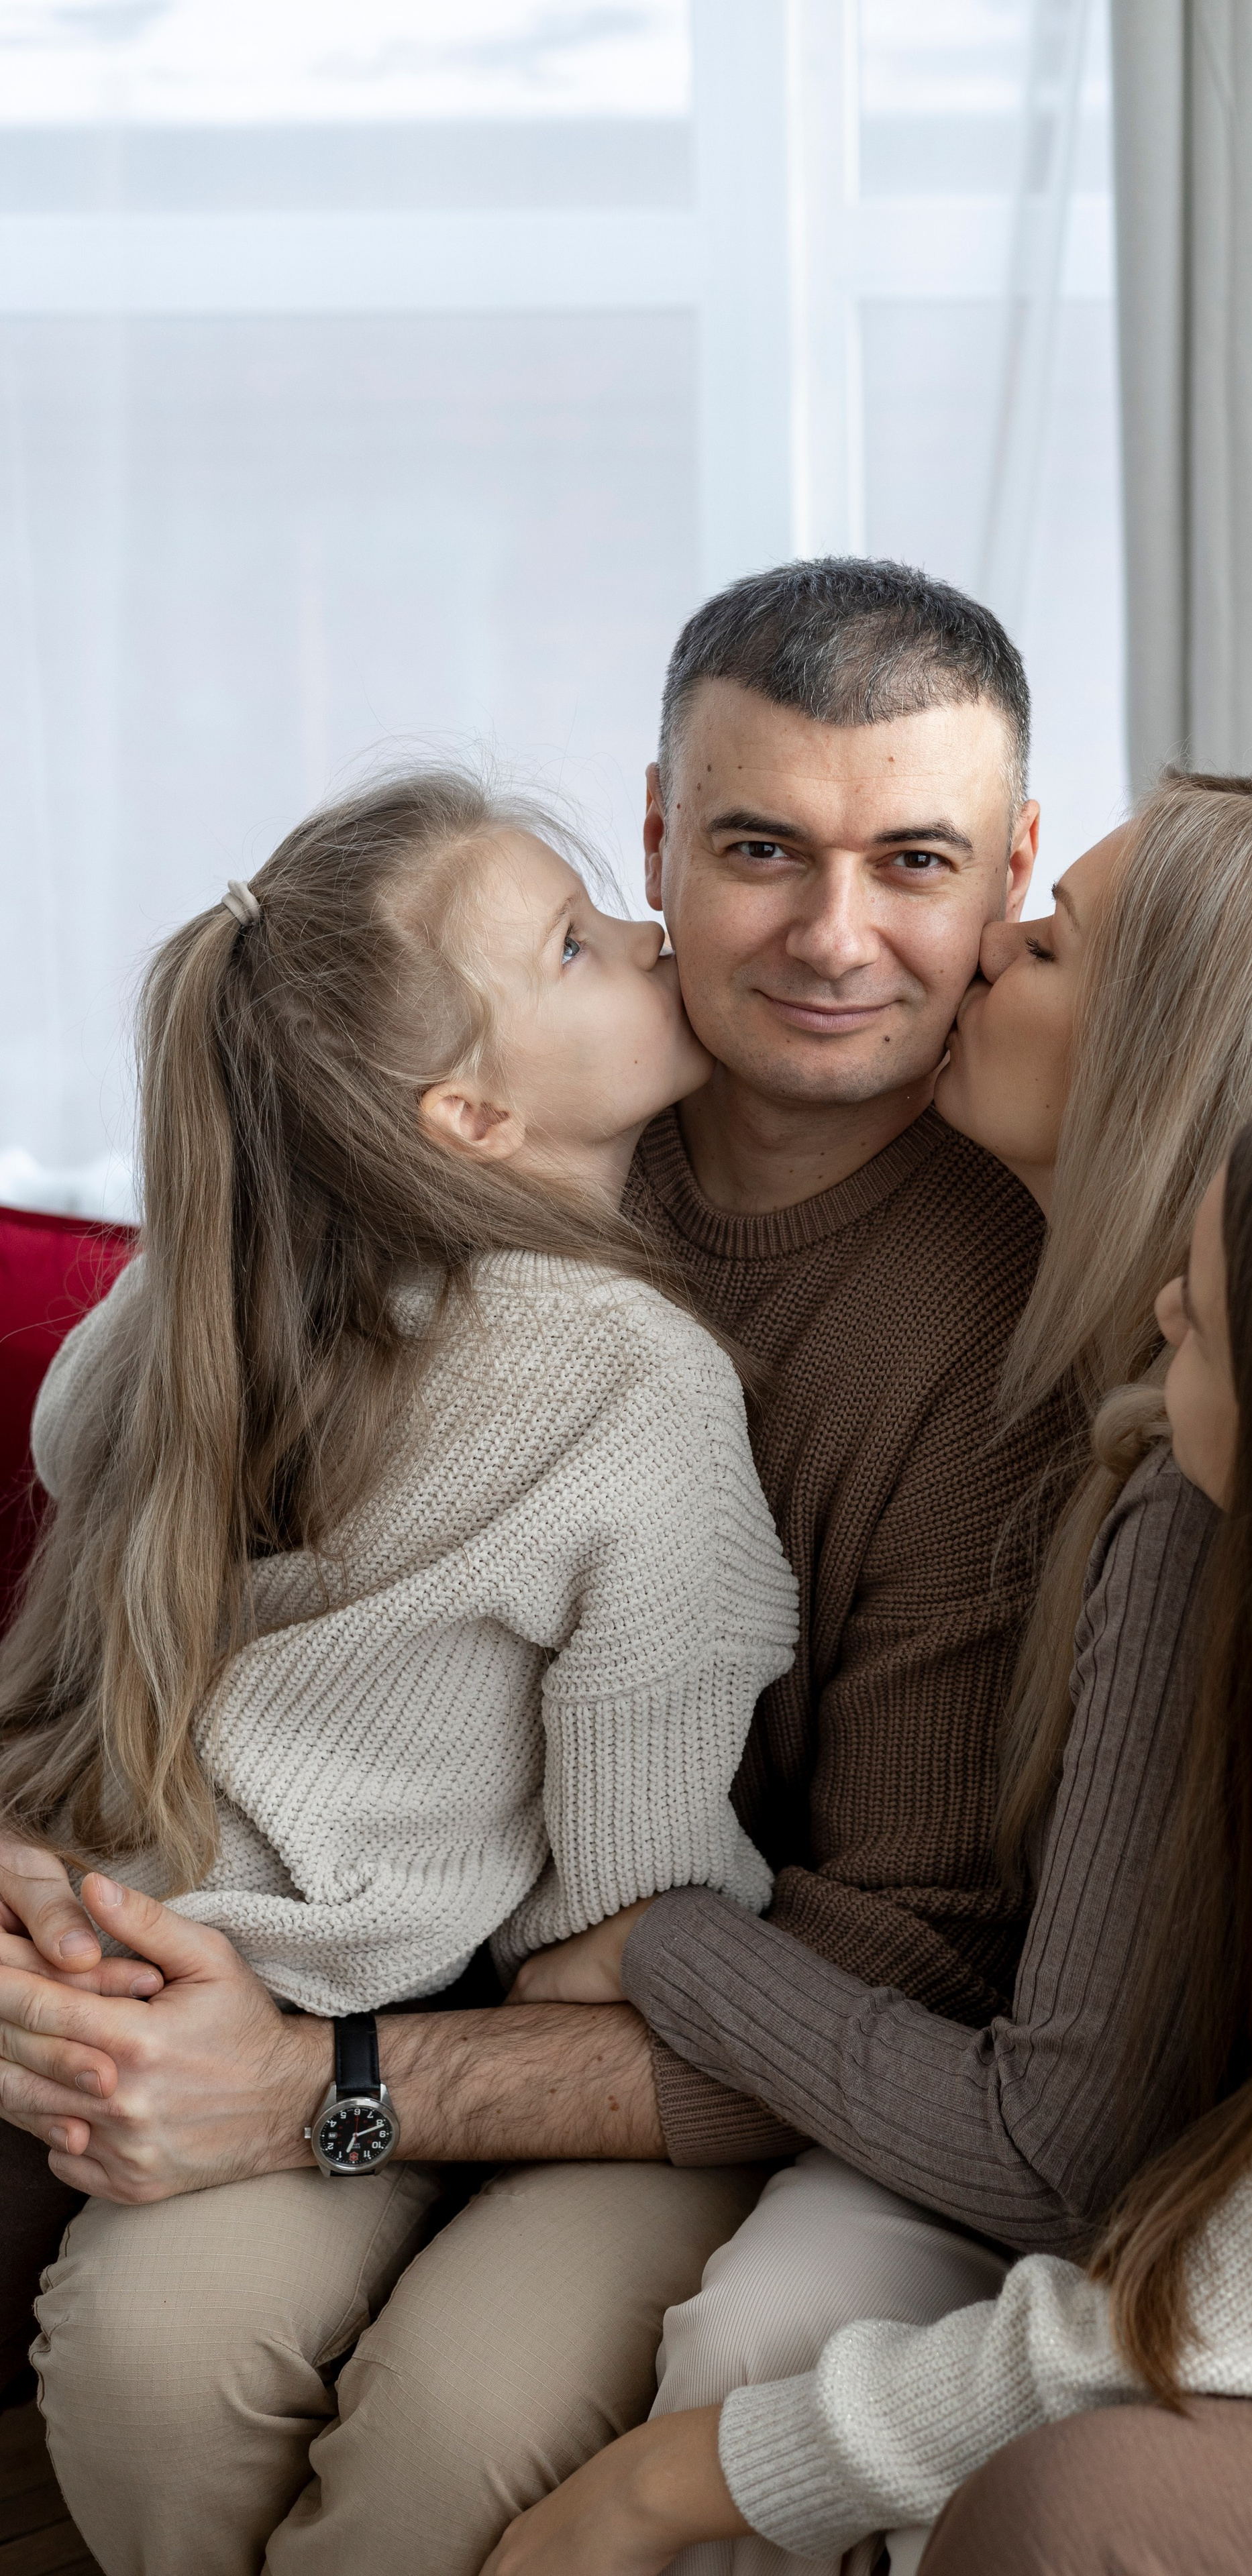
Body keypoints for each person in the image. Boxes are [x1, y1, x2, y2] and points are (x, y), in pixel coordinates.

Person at [0, 560, 1066, 2576]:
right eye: (758, 851)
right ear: (660, 841)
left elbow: (906, 1968)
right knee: (152, 2355)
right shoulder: (444, 1124)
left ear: (1013, 870)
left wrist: (334, 2091)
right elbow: (151, 1508)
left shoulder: (1018, 1304)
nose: (835, 938)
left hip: (700, 2053)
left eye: (915, 860)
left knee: (457, 2425)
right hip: (327, 1949)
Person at [488, 1061, 1252, 2576]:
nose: (1158, 1313)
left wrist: (677, 2480)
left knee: (1063, 2509)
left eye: (1199, 1303)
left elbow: (1223, 2290)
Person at [0, 767, 800, 2381]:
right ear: (474, 1120)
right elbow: (628, 1901)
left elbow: (67, 1434)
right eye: (577, 945)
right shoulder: (639, 1387)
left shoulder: (195, 1303)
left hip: (89, 1944)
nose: (650, 935)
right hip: (296, 2009)